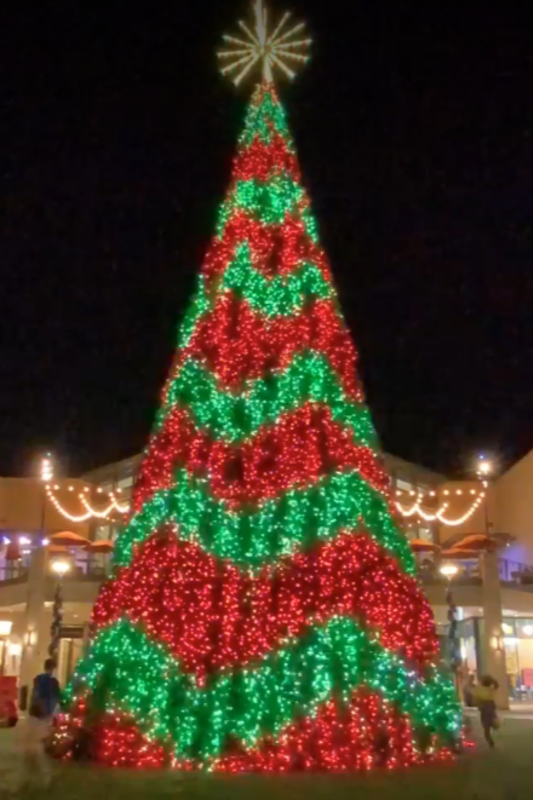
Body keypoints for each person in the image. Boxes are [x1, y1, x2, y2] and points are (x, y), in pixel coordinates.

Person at [20, 658, 61, 789]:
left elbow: (34, 696)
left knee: (30, 745)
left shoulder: (38, 680)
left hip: (34, 715)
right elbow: (55, 700)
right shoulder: (53, 683)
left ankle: (28, 776)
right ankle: (45, 777)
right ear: (53, 668)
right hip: (44, 717)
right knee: (40, 745)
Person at [473, 674, 499, 748]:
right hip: (491, 706)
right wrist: (493, 680)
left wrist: (478, 705)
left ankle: (488, 737)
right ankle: (494, 725)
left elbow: (475, 699)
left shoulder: (479, 689)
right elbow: (497, 685)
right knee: (492, 719)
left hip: (484, 707)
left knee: (486, 725)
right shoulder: (490, 689)